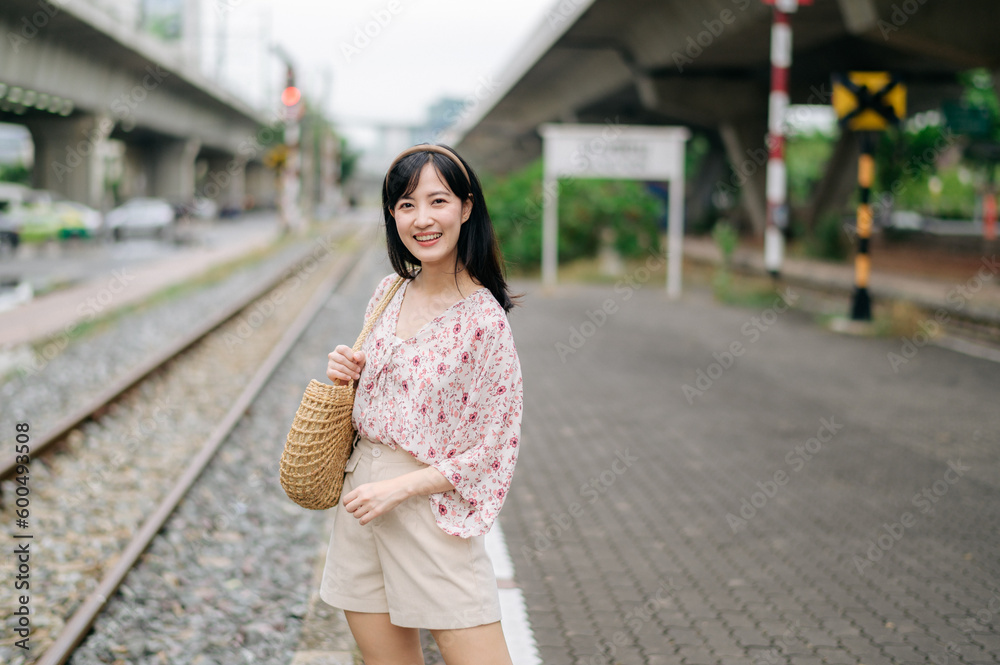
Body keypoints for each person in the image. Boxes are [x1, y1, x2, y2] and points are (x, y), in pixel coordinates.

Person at [320, 143, 524, 665]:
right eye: (406, 205)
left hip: (428, 509)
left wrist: (400, 487)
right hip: (361, 503)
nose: (423, 218)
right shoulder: (388, 291)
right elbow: (378, 401)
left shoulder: (484, 321)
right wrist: (348, 375)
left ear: (466, 207)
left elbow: (491, 447)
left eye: (438, 201)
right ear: (392, 215)